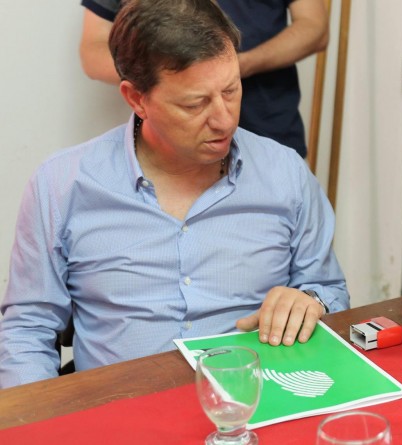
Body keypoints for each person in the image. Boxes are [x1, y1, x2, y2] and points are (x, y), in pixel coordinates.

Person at [0, 0, 348, 388]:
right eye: (195, 103)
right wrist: (40, 417)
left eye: (231, 90)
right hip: (120, 408)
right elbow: (27, 331)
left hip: (253, 402)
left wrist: (312, 302)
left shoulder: (285, 173)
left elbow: (329, 291)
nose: (224, 119)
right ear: (137, 99)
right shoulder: (63, 185)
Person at [79, 0, 328, 158]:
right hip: (169, 149)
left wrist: (234, 67)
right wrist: (173, 75)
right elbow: (93, 52)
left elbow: (314, 28)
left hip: (268, 128)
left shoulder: (284, 165)